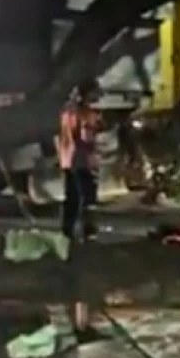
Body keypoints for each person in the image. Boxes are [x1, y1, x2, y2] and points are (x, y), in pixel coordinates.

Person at [58, 77, 103, 340]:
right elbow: (85, 136)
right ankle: (81, 228)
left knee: (72, 197)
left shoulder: (67, 110)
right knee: (84, 196)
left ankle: (69, 229)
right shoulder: (80, 113)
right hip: (79, 161)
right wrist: (96, 128)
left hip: (69, 159)